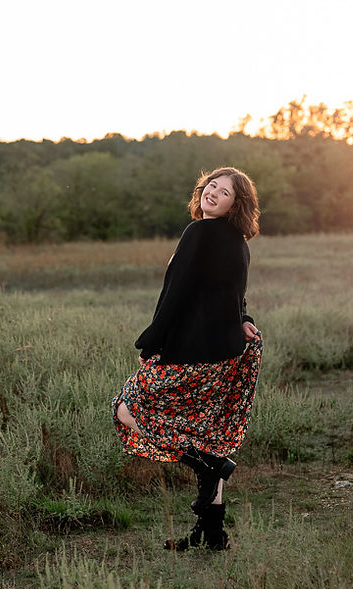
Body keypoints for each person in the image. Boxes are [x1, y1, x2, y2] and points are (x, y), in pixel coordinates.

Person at [112, 166, 262, 552]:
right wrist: (244, 320)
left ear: (235, 204)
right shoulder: (238, 242)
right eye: (210, 186)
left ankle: (207, 466)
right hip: (225, 354)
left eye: (223, 192)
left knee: (127, 406)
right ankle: (212, 533)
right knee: (209, 434)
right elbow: (233, 296)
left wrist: (154, 341)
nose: (212, 193)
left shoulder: (198, 233)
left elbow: (176, 294)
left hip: (192, 351)